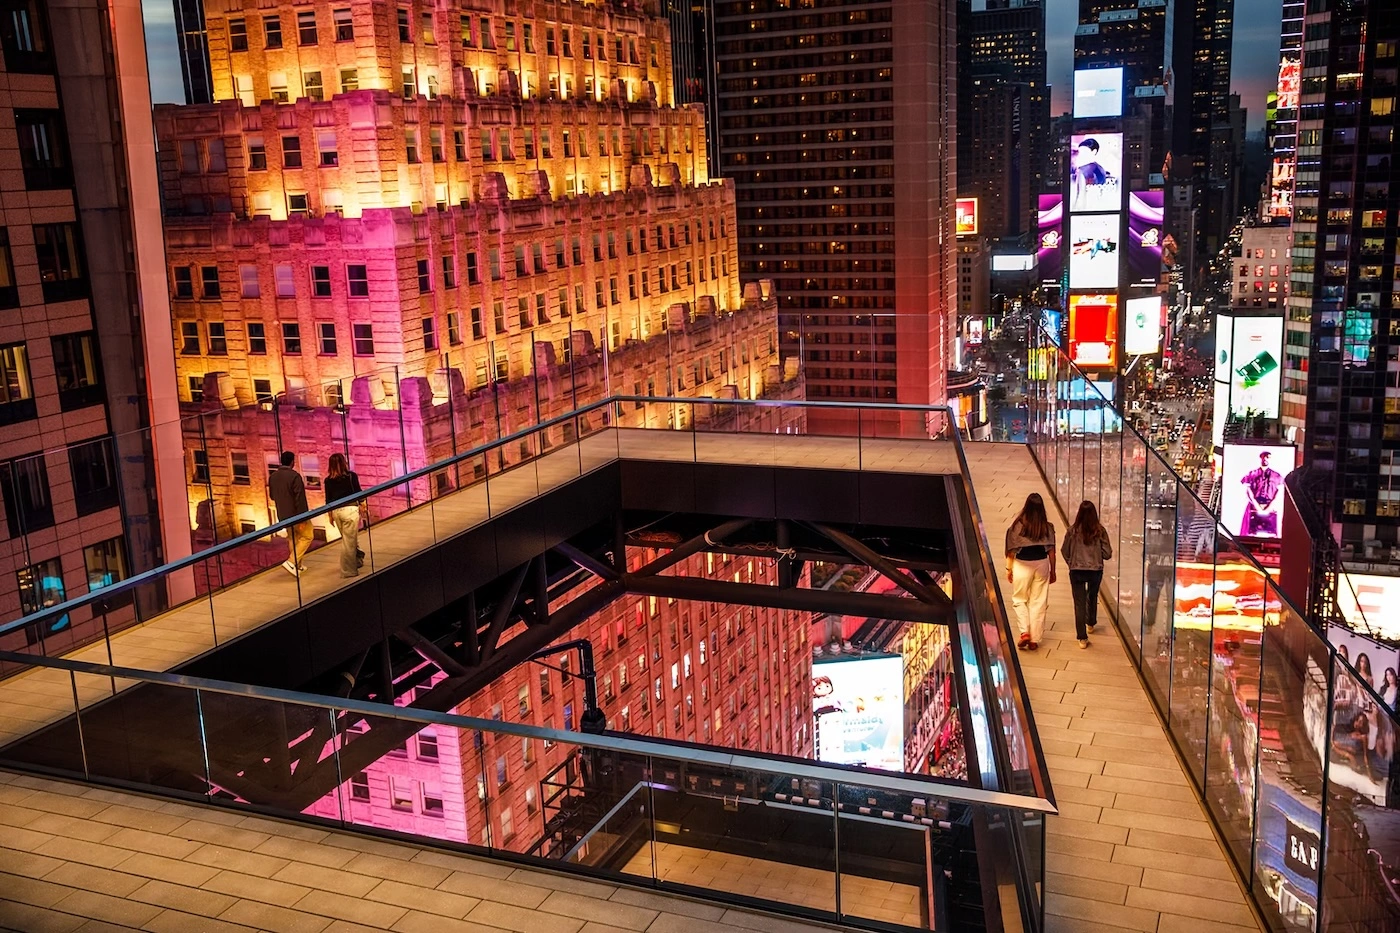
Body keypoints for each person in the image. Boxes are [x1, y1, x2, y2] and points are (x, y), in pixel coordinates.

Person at [1005, 493, 1056, 651]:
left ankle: (1024, 632)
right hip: (1042, 564)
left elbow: (1011, 550)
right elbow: (1051, 551)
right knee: (1038, 601)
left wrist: (1009, 569)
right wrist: (1053, 570)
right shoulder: (1047, 527)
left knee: (1019, 599)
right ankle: (1035, 639)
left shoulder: (1017, 526)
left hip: (1021, 564)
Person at [1062, 500, 1114, 649]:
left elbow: (1065, 551)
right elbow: (1107, 553)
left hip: (1076, 570)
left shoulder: (1072, 531)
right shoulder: (1100, 531)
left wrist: (1071, 563)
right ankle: (1090, 622)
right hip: (1095, 570)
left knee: (1079, 603)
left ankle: (1082, 638)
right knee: (1092, 596)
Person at [269, 450, 312, 577]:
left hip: (283, 515)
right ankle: (291, 562)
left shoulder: (273, 477)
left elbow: (272, 496)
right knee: (307, 536)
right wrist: (303, 518)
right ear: (292, 462)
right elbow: (300, 499)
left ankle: (296, 565)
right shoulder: (295, 476)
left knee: (293, 538)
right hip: (297, 515)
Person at [325, 453, 366, 579]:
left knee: (348, 539)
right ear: (344, 463)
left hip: (337, 512)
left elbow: (328, 500)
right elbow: (358, 491)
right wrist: (363, 505)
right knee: (349, 541)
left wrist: (330, 516)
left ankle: (357, 560)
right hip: (350, 510)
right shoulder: (351, 476)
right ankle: (348, 571)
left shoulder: (328, 480)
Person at [1240, 450, 1283, 537]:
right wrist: (1257, 506)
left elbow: (1279, 492)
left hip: (1270, 508)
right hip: (1254, 508)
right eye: (1264, 457)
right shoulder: (1252, 474)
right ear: (1261, 458)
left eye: (1268, 457)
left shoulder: (1277, 475)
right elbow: (1248, 490)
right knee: (1250, 533)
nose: (1266, 459)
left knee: (1272, 534)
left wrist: (1270, 506)